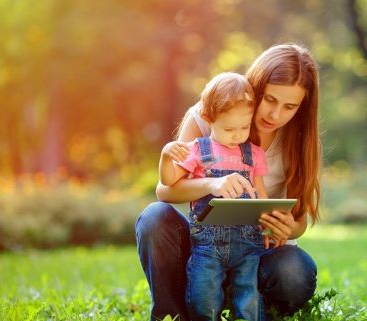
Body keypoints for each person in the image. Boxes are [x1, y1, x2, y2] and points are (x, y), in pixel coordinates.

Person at [136, 43, 321, 321]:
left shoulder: (300, 139)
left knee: (295, 271)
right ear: (254, 89)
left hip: (255, 252)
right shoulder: (209, 115)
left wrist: (288, 228)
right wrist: (210, 185)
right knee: (154, 218)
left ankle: (250, 308)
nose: (275, 115)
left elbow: (300, 221)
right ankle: (173, 315)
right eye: (269, 100)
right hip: (204, 249)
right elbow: (165, 190)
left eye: (289, 107)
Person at [159, 72, 268, 321]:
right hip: (208, 245)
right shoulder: (198, 149)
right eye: (229, 128)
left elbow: (260, 195)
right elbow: (168, 181)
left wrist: (269, 227)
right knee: (203, 297)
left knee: (249, 297)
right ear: (208, 119)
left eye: (244, 127)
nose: (238, 135)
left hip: (248, 243)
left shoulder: (254, 153)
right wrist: (166, 155)